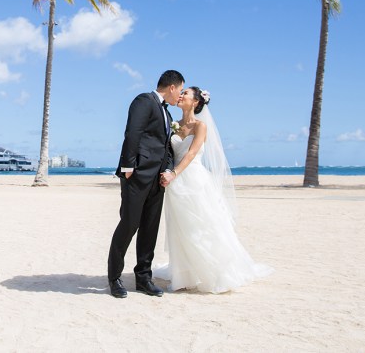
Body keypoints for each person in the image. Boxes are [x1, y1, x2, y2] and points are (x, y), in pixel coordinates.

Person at [155, 86, 273, 293]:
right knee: (181, 228)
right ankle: (184, 274)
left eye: (186, 94)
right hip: (176, 185)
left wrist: (173, 173)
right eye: (181, 93)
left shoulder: (200, 126)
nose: (181, 96)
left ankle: (214, 271)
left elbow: (191, 154)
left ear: (196, 102)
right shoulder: (173, 125)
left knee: (202, 224)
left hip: (195, 180)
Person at [107, 69, 184, 298]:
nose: (179, 95)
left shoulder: (167, 115)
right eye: (180, 90)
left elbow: (166, 146)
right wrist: (129, 168)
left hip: (158, 180)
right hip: (138, 176)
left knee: (150, 229)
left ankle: (143, 278)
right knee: (129, 225)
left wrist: (168, 170)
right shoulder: (144, 100)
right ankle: (114, 278)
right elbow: (132, 133)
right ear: (172, 86)